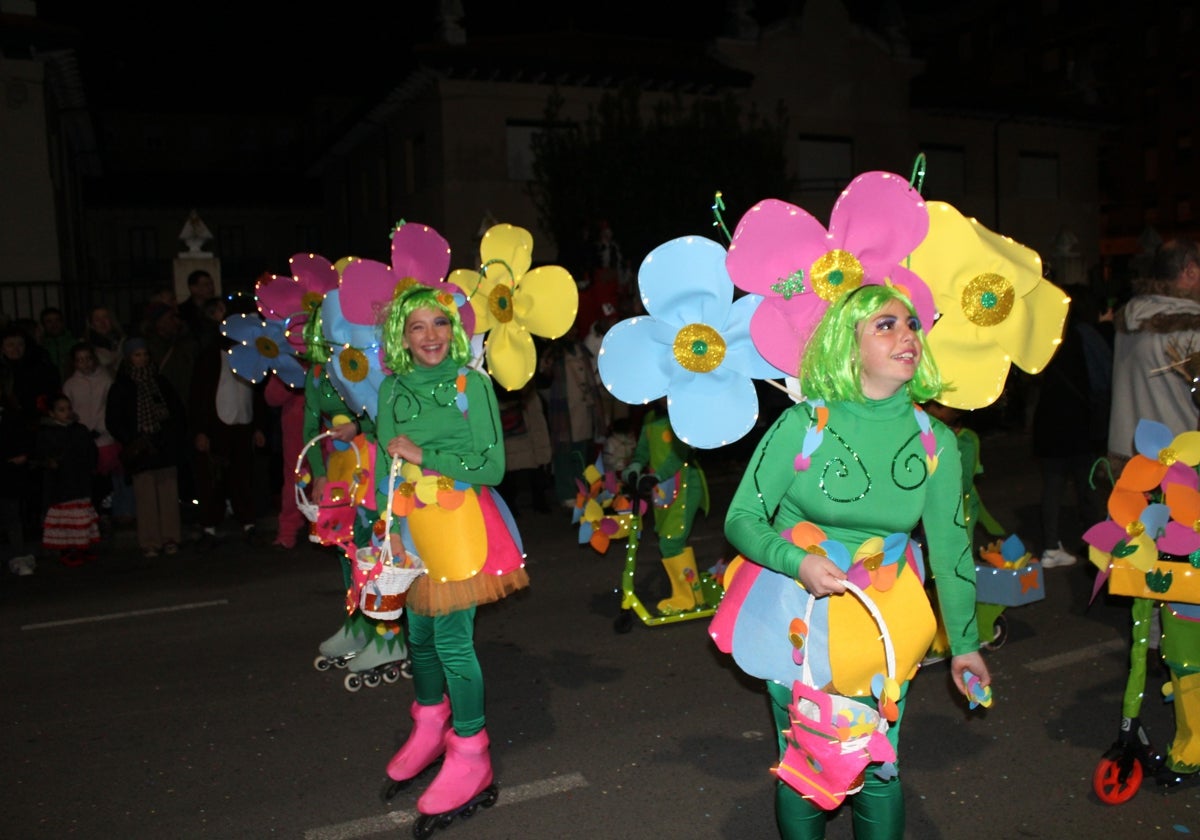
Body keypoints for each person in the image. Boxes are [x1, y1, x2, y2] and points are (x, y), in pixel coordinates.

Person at [719, 284, 990, 839]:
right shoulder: (804, 424)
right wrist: (796, 562)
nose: (907, 335)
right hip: (794, 615)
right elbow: (742, 517)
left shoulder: (935, 440)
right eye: (885, 325)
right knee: (806, 768)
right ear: (848, 346)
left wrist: (965, 645)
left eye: (911, 324)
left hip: (881, 621)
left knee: (879, 767)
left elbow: (951, 549)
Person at [375, 285, 528, 825]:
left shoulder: (472, 383)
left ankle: (471, 752)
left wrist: (426, 455)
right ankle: (429, 725)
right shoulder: (392, 390)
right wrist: (386, 528)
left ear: (453, 330)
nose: (431, 336)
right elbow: (382, 466)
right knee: (416, 636)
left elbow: (492, 467)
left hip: (462, 524)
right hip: (410, 527)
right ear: (402, 337)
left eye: (439, 324)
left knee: (451, 641)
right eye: (417, 327)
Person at [1108, 238, 1200, 474]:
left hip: (1135, 461)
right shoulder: (1191, 328)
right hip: (1184, 464)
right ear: (1190, 271)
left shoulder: (1132, 318)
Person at [1031, 287, 1108, 568]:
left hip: (1049, 421)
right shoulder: (1085, 334)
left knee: (1052, 486)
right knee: (1086, 485)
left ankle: (1051, 546)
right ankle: (1098, 545)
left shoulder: (1045, 337)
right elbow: (1102, 378)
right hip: (1079, 422)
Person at [189, 305, 269, 549]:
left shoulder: (251, 356)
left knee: (243, 477)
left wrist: (258, 427)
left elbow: (257, 395)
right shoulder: (210, 356)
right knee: (213, 479)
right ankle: (209, 526)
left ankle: (248, 522)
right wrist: (200, 431)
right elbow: (198, 395)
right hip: (217, 425)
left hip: (243, 423)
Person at [623, 399, 710, 613]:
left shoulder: (681, 414)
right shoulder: (651, 418)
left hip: (685, 485)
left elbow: (679, 455)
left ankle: (687, 598)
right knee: (669, 538)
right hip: (662, 490)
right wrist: (634, 467)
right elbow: (643, 451)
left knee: (671, 541)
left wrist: (656, 476)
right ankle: (693, 593)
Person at [105, 337, 187, 558]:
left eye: (144, 354)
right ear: (129, 358)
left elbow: (176, 411)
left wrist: (170, 435)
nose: (141, 359)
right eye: (136, 355)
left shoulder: (160, 382)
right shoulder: (122, 386)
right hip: (141, 447)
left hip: (164, 445)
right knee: (145, 496)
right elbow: (113, 419)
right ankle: (150, 541)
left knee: (168, 493)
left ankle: (171, 537)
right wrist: (132, 439)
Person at [61, 342, 130, 531]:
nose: (84, 364)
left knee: (108, 477)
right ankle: (94, 513)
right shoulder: (70, 384)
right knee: (89, 479)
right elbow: (69, 410)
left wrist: (101, 427)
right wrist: (79, 430)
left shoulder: (106, 380)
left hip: (105, 436)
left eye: (88, 359)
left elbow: (109, 406)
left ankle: (111, 512)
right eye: (80, 360)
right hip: (82, 438)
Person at [34, 394, 100, 566]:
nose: (67, 413)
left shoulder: (80, 430)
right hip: (60, 484)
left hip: (79, 480)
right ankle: (67, 549)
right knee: (65, 518)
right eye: (61, 410)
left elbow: (91, 451)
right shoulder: (47, 433)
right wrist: (50, 462)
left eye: (69, 408)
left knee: (80, 515)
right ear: (51, 413)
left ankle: (82, 546)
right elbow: (41, 455)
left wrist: (90, 466)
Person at [494, 380, 552, 517]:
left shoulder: (530, 397)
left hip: (517, 439)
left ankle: (514, 507)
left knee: (518, 474)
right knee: (517, 474)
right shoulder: (529, 395)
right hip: (520, 438)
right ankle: (530, 504)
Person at [81, 304, 127, 376]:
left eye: (105, 317)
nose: (102, 322)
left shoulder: (124, 342)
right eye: (97, 319)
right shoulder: (85, 346)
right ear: (91, 324)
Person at [37, 306, 78, 380]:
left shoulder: (74, 344)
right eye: (49, 321)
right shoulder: (40, 346)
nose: (54, 324)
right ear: (43, 324)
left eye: (57, 320)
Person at [177, 268, 217, 338]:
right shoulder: (183, 311)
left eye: (211, 284)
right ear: (193, 288)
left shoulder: (218, 307)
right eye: (206, 285)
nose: (211, 288)